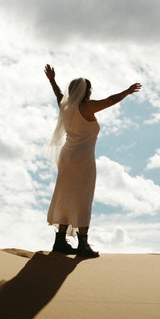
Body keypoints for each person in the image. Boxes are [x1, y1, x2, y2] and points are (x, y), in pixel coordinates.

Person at [44, 64, 141, 258]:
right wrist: (128, 92)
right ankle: (83, 245)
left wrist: (52, 80)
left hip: (67, 156)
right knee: (83, 197)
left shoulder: (65, 106)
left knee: (65, 196)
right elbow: (110, 100)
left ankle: (60, 241)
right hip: (82, 159)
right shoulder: (86, 107)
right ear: (86, 91)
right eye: (90, 89)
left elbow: (57, 95)